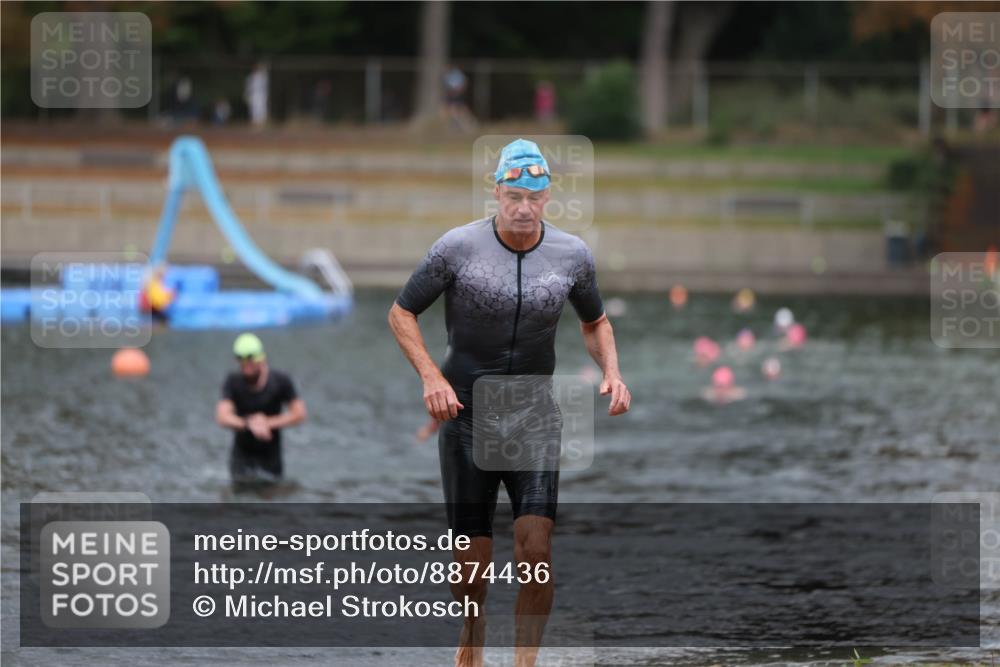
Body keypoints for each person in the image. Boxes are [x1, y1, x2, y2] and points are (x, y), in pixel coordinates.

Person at [388, 138, 631, 667]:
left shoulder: (572, 255)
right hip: (467, 415)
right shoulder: (456, 248)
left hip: (534, 417)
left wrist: (610, 370)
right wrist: (431, 376)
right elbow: (401, 313)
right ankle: (472, 635)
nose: (523, 206)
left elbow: (596, 323)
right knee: (471, 565)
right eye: (514, 194)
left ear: (548, 197)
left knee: (536, 551)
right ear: (496, 191)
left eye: (534, 196)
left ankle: (525, 662)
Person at [215, 333, 306, 493]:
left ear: (262, 358)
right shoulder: (233, 381)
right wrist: (248, 423)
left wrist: (266, 422)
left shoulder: (280, 381)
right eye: (240, 358)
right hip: (241, 456)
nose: (245, 363)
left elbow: (299, 414)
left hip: (271, 457)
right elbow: (222, 417)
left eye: (250, 358)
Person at [244, 61, 269, 129]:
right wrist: (247, 95)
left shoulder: (262, 77)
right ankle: (254, 125)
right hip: (253, 95)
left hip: (261, 95)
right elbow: (248, 87)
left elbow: (265, 86)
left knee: (261, 110)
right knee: (253, 110)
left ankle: (261, 126)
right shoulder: (250, 77)